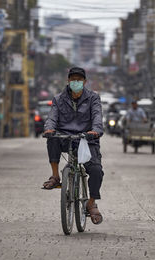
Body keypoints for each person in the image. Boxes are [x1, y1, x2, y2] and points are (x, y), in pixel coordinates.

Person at [43, 67, 104, 225]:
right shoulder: (58, 99)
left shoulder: (93, 98)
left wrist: (95, 131)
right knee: (52, 138)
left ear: (84, 82)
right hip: (66, 137)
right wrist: (49, 128)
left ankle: (91, 203)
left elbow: (97, 116)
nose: (76, 82)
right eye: (73, 79)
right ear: (68, 81)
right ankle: (55, 176)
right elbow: (52, 117)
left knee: (96, 170)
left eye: (79, 79)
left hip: (86, 138)